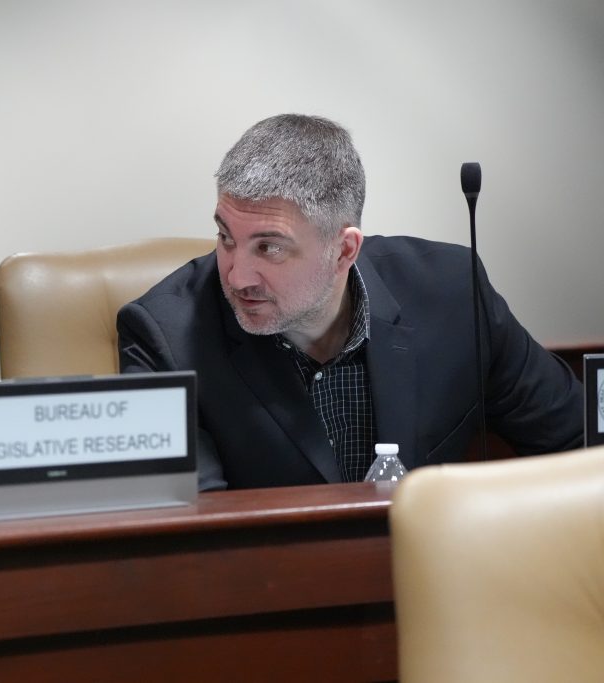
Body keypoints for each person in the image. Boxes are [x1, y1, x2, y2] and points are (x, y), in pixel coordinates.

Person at [118, 114, 583, 491]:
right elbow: (188, 531)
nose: (237, 276)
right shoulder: (165, 336)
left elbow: (578, 443)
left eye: (269, 247)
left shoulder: (452, 294)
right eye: (226, 237)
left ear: (343, 250)